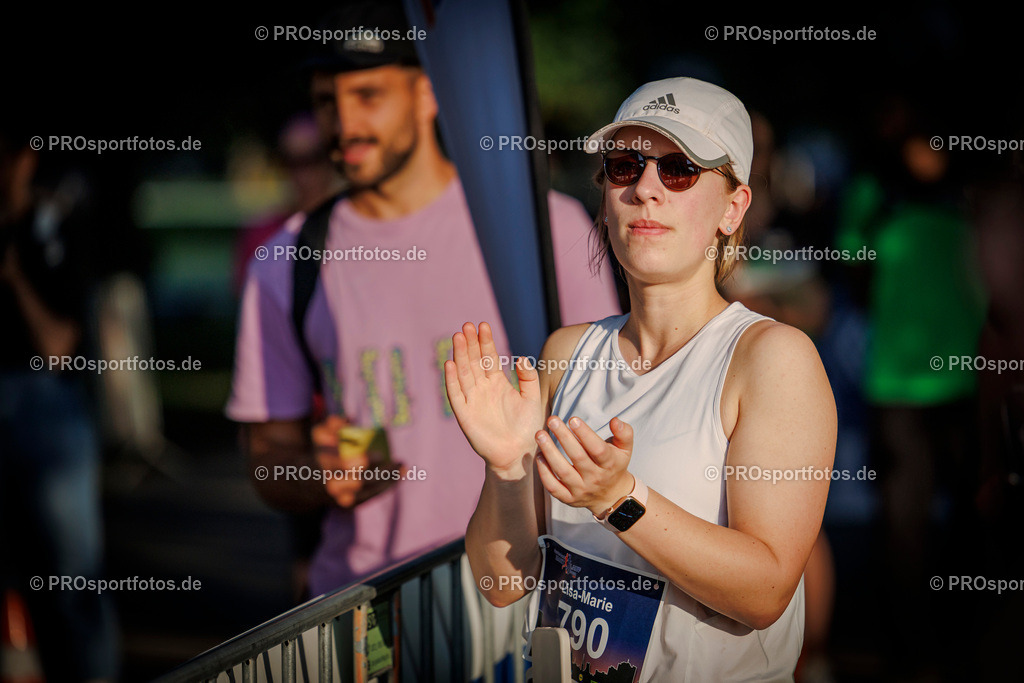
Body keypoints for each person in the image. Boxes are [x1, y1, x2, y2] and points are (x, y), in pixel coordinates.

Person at [446, 77, 836, 680]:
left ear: (733, 207)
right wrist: (504, 468)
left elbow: (765, 592)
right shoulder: (568, 349)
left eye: (679, 169)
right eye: (625, 166)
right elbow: (502, 584)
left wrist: (618, 500)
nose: (646, 189)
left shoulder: (772, 358)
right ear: (604, 197)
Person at [226, 0, 620, 597]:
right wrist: (315, 473)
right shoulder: (285, 261)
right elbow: (267, 457)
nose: (344, 124)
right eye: (327, 102)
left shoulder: (548, 229)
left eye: (368, 96)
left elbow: (615, 407)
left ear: (428, 95)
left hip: (529, 580)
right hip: (366, 601)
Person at [0, 125, 118, 681]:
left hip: (46, 407)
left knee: (72, 585)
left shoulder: (54, 226)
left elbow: (57, 346)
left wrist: (15, 274)